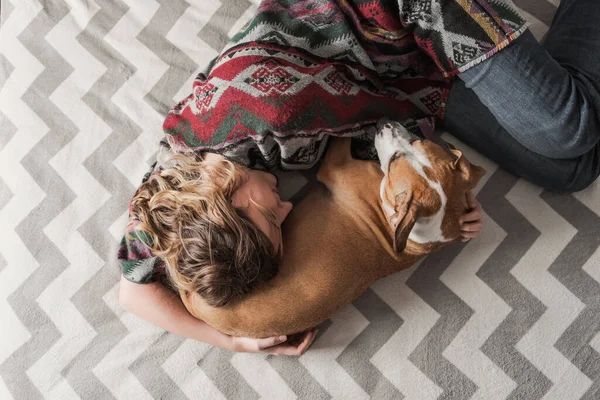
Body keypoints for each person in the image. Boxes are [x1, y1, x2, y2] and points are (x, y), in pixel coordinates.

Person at [120, 0, 588, 355]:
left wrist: (443, 194)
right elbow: (133, 292)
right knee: (568, 169)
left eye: (270, 213)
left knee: (568, 132)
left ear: (231, 194)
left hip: (391, 21)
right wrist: (232, 343)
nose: (286, 208)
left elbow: (388, 128)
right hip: (372, 75)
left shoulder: (275, 118)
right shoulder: (167, 202)